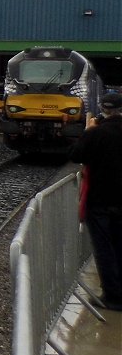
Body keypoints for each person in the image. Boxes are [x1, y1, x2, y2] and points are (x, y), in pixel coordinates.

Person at [69, 91, 122, 311]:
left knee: (104, 249)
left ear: (103, 110)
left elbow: (76, 155)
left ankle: (113, 296)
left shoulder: (97, 133)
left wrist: (87, 132)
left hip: (99, 199)